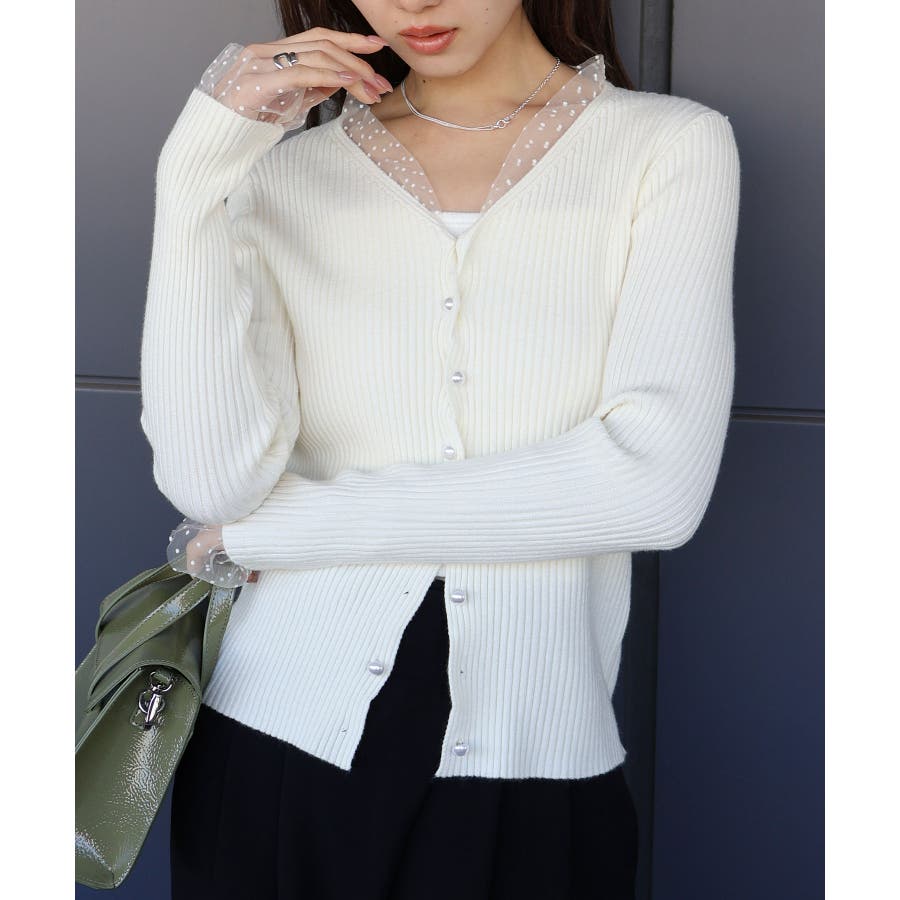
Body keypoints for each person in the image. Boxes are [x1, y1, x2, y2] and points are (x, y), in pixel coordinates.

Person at [139, 1, 741, 897]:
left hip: (531, 768)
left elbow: (653, 489)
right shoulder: (279, 170)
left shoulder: (668, 147)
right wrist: (190, 179)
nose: (413, 3)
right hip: (269, 753)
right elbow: (210, 481)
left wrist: (274, 535)